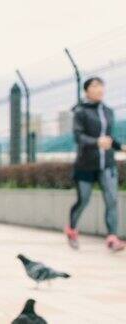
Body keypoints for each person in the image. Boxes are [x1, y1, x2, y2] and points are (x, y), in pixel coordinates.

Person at [66, 77, 126, 252]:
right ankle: (72, 229)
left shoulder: (108, 111)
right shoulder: (81, 112)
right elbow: (79, 137)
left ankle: (112, 238)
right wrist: (96, 142)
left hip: (107, 164)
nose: (99, 88)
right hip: (85, 164)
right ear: (87, 91)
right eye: (95, 85)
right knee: (83, 200)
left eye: (101, 85)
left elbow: (108, 137)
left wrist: (119, 146)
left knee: (112, 200)